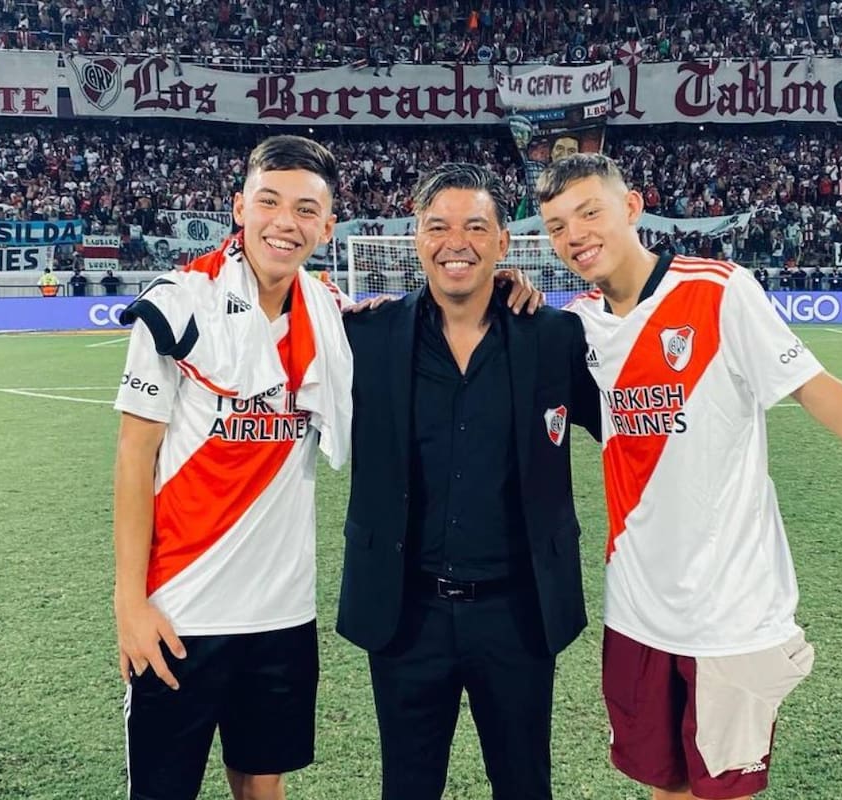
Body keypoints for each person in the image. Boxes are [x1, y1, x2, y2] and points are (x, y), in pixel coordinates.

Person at [535, 154, 842, 800]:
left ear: (631, 209)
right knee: (666, 785)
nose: (574, 234)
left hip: (729, 609)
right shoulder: (576, 325)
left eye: (589, 212)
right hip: (636, 606)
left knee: (722, 792)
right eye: (555, 225)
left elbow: (821, 394)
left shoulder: (717, 291)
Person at [336, 162, 600, 800]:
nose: (458, 241)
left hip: (518, 611)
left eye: (476, 227)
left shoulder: (555, 336)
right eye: (439, 227)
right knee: (407, 787)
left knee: (524, 785)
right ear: (418, 240)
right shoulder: (362, 337)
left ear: (504, 244)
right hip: (405, 612)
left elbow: (636, 423)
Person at [111, 135, 354, 800]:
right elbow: (135, 461)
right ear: (239, 207)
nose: (286, 221)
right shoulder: (179, 305)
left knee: (261, 784)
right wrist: (130, 603)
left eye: (307, 210)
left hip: (281, 612)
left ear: (328, 227)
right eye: (269, 201)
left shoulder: (329, 314)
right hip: (181, 612)